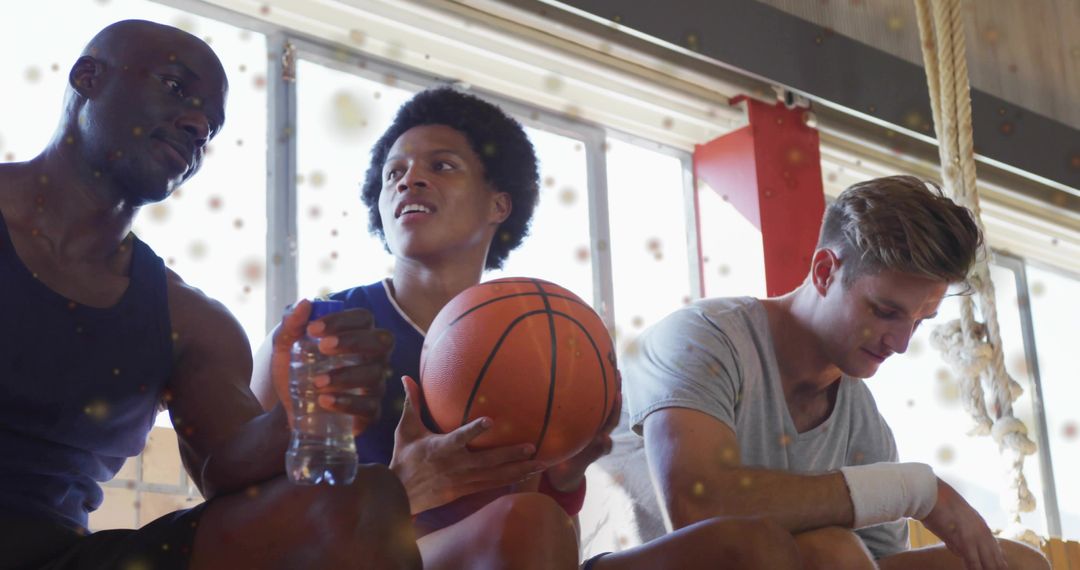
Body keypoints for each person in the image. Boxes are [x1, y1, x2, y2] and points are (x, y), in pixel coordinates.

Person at [252, 86, 803, 569]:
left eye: (440, 166)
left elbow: (544, 511)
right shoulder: (319, 330)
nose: (409, 179)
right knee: (528, 524)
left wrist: (565, 475)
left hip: (524, 550)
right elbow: (241, 517)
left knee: (754, 548)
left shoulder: (546, 336)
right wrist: (400, 491)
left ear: (500, 204)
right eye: (393, 172)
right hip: (372, 559)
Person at [0, 20, 420, 569]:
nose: (197, 124)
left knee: (364, 503)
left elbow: (224, 468)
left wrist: (291, 419)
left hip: (51, 556)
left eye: (210, 127)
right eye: (175, 88)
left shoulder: (190, 321)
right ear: (88, 77)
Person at [604, 175, 1051, 570]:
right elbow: (700, 507)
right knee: (822, 552)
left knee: (1020, 565)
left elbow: (871, 564)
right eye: (885, 311)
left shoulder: (865, 428)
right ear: (824, 272)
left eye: (918, 321)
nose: (900, 343)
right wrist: (911, 490)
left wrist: (907, 488)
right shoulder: (703, 339)